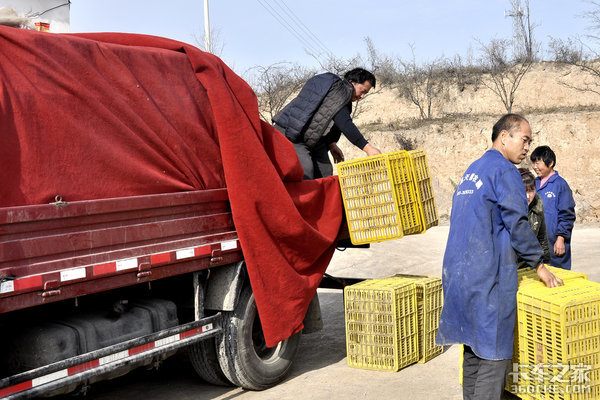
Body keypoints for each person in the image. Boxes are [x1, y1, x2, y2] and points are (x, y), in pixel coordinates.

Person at [436, 114, 563, 400]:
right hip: (487, 276)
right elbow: (517, 223)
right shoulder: (504, 171)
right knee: (494, 354)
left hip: (458, 274)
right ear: (504, 136)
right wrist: (539, 265)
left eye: (530, 142)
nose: (527, 148)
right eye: (524, 140)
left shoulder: (473, 169)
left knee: (472, 347)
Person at [272, 68, 381, 179]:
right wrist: (368, 148)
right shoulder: (339, 93)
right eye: (362, 91)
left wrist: (332, 144)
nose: (362, 97)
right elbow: (344, 123)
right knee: (305, 172)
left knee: (325, 173)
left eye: (365, 94)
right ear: (352, 82)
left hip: (312, 139)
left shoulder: (345, 102)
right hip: (292, 132)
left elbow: (333, 125)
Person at [530, 145, 576, 270]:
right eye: (533, 163)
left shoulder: (560, 184)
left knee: (558, 277)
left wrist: (561, 238)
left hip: (554, 243)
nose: (535, 167)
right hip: (536, 243)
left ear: (550, 163)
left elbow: (567, 215)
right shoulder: (534, 183)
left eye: (538, 163)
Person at [517, 168, 551, 269]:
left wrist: (546, 262)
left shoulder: (537, 207)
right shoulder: (507, 210)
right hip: (510, 267)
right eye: (524, 191)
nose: (528, 196)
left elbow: (542, 238)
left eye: (531, 191)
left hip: (529, 265)